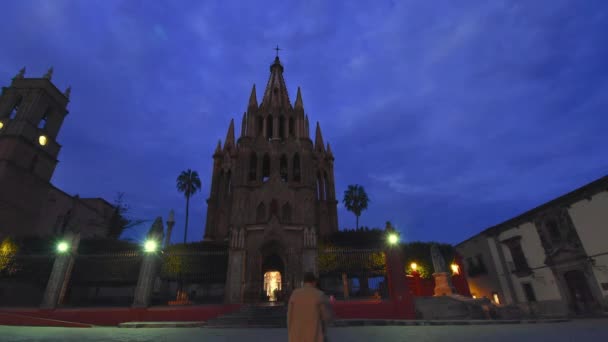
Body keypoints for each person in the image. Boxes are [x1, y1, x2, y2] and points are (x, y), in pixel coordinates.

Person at [287, 272, 334, 342]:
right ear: (314, 282)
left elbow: (289, 316)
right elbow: (326, 316)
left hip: (296, 336)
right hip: (314, 336)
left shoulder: (295, 294)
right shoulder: (319, 294)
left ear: (303, 282)